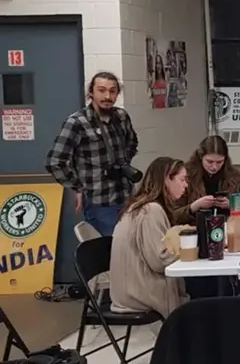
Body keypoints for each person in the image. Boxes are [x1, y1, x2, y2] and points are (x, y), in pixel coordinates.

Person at [46, 72, 140, 237]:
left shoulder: (121, 116)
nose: (107, 96)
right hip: (99, 201)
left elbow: (132, 142)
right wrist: (77, 187)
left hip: (126, 197)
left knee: (129, 248)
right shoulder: (77, 122)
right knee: (109, 252)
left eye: (112, 91)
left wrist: (122, 164)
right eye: (101, 90)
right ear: (91, 92)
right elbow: (55, 161)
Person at [109, 157, 189, 317]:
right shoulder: (151, 210)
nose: (186, 185)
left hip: (130, 288)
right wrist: (189, 244)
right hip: (138, 293)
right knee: (202, 298)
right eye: (182, 179)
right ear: (167, 179)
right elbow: (160, 262)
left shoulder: (141, 206)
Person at [172, 135, 240, 299]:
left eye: (219, 162)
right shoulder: (187, 175)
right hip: (196, 237)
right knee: (202, 290)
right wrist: (195, 206)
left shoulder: (234, 176)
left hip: (228, 236)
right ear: (200, 157)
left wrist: (232, 206)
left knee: (233, 287)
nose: (214, 167)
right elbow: (173, 214)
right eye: (209, 162)